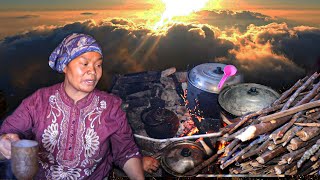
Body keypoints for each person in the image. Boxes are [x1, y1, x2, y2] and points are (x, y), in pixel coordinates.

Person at [0, 33, 145, 180]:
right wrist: (5, 144)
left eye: (98, 65)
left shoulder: (111, 107)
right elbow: (6, 137)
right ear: (64, 65)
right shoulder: (38, 101)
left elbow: (126, 152)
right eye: (85, 63)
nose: (93, 71)